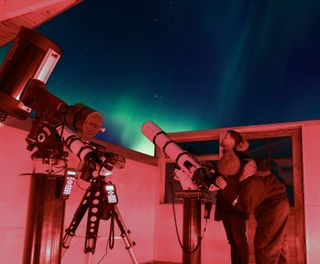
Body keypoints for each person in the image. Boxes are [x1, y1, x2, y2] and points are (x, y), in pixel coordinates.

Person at [215, 133, 290, 264]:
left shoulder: (251, 183)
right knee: (277, 243)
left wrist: (227, 189)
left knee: (264, 246)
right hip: (275, 202)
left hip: (273, 206)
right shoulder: (245, 166)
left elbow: (245, 207)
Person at [213, 130, 252, 264]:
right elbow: (224, 180)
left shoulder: (242, 161)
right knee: (232, 241)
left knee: (239, 241)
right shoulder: (225, 159)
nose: (224, 137)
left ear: (233, 142)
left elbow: (243, 187)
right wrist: (215, 184)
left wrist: (226, 188)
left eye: (227, 136)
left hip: (236, 208)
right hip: (225, 206)